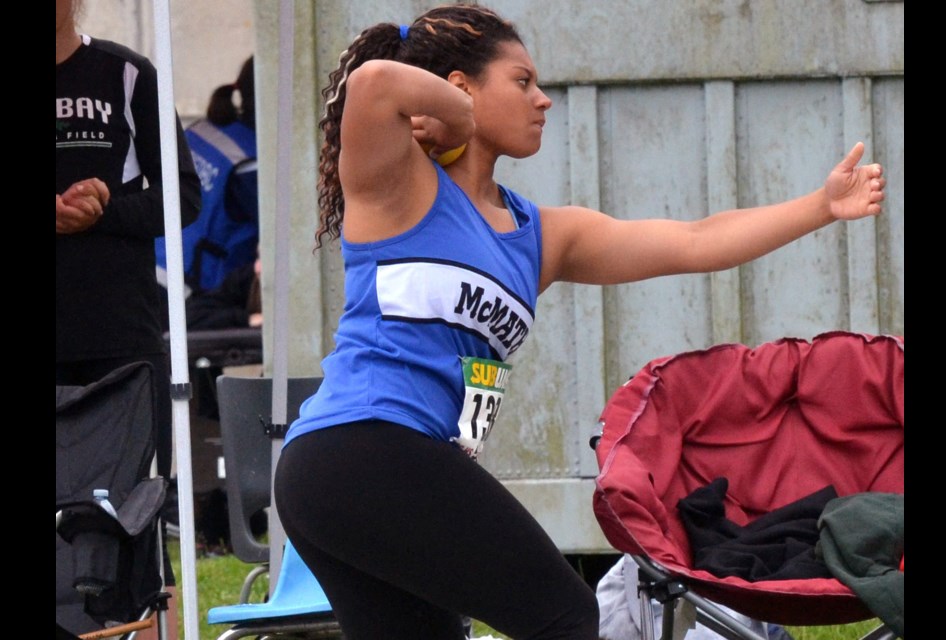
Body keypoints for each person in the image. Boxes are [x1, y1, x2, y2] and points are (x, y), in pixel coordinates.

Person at [273, 4, 886, 639]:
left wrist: (819, 206)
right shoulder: (398, 186)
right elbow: (373, 82)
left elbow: (695, 240)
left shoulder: (544, 236)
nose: (543, 101)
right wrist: (460, 119)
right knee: (565, 618)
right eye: (522, 81)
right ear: (460, 87)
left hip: (368, 472)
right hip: (357, 448)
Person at [56, 0, 201, 636]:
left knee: (127, 516)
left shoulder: (127, 74)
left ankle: (141, 627)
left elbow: (184, 199)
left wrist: (107, 206)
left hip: (120, 339)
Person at [156, 55, 259, 295]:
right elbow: (285, 236)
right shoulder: (249, 162)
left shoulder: (202, 130)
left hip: (154, 263)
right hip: (188, 289)